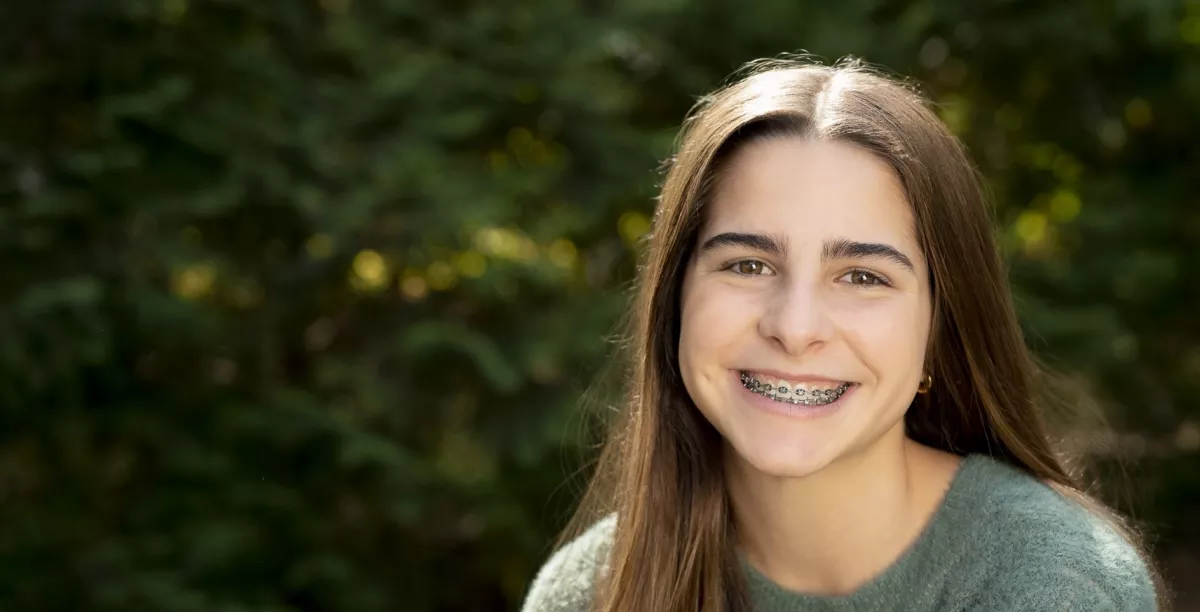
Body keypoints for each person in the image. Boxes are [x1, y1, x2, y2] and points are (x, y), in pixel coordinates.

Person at [519, 57, 1166, 612]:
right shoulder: (589, 593)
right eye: (748, 264)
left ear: (940, 326)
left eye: (861, 276)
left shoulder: (1052, 580)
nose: (795, 329)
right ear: (676, 300)